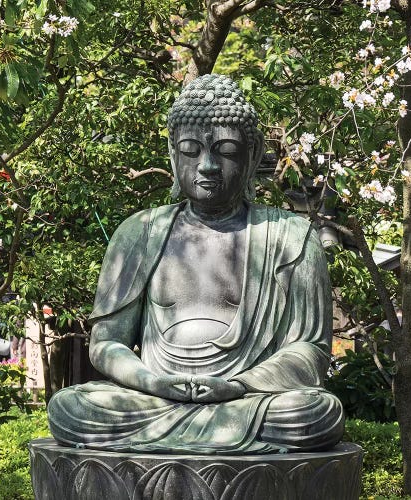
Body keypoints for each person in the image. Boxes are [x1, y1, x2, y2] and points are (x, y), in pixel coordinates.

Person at [47, 74, 344, 454]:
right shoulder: (138, 232)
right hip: (156, 400)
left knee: (315, 412)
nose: (207, 166)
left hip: (246, 403)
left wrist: (238, 386)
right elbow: (107, 344)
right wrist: (150, 382)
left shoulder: (291, 236)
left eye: (226, 150)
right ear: (173, 155)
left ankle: (194, 437)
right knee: (71, 407)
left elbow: (310, 352)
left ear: (252, 157)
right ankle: (210, 440)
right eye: (190, 150)